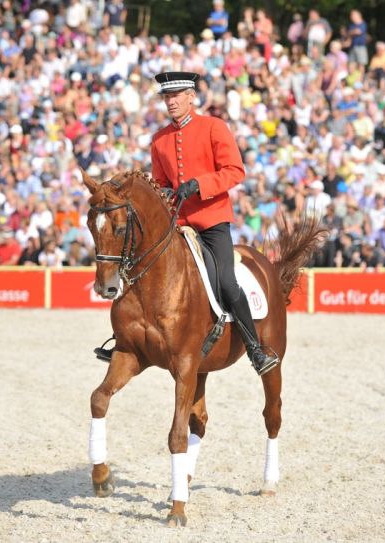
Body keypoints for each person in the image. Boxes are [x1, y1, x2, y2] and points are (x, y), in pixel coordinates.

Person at [95, 71, 279, 376]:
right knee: (136, 269)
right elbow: (160, 184)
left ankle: (254, 349)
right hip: (177, 225)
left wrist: (200, 184)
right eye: (167, 97)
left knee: (226, 283)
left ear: (191, 97)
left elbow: (235, 171)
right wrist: (164, 191)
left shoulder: (214, 128)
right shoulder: (160, 139)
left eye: (176, 96)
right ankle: (125, 341)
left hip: (212, 222)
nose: (171, 102)